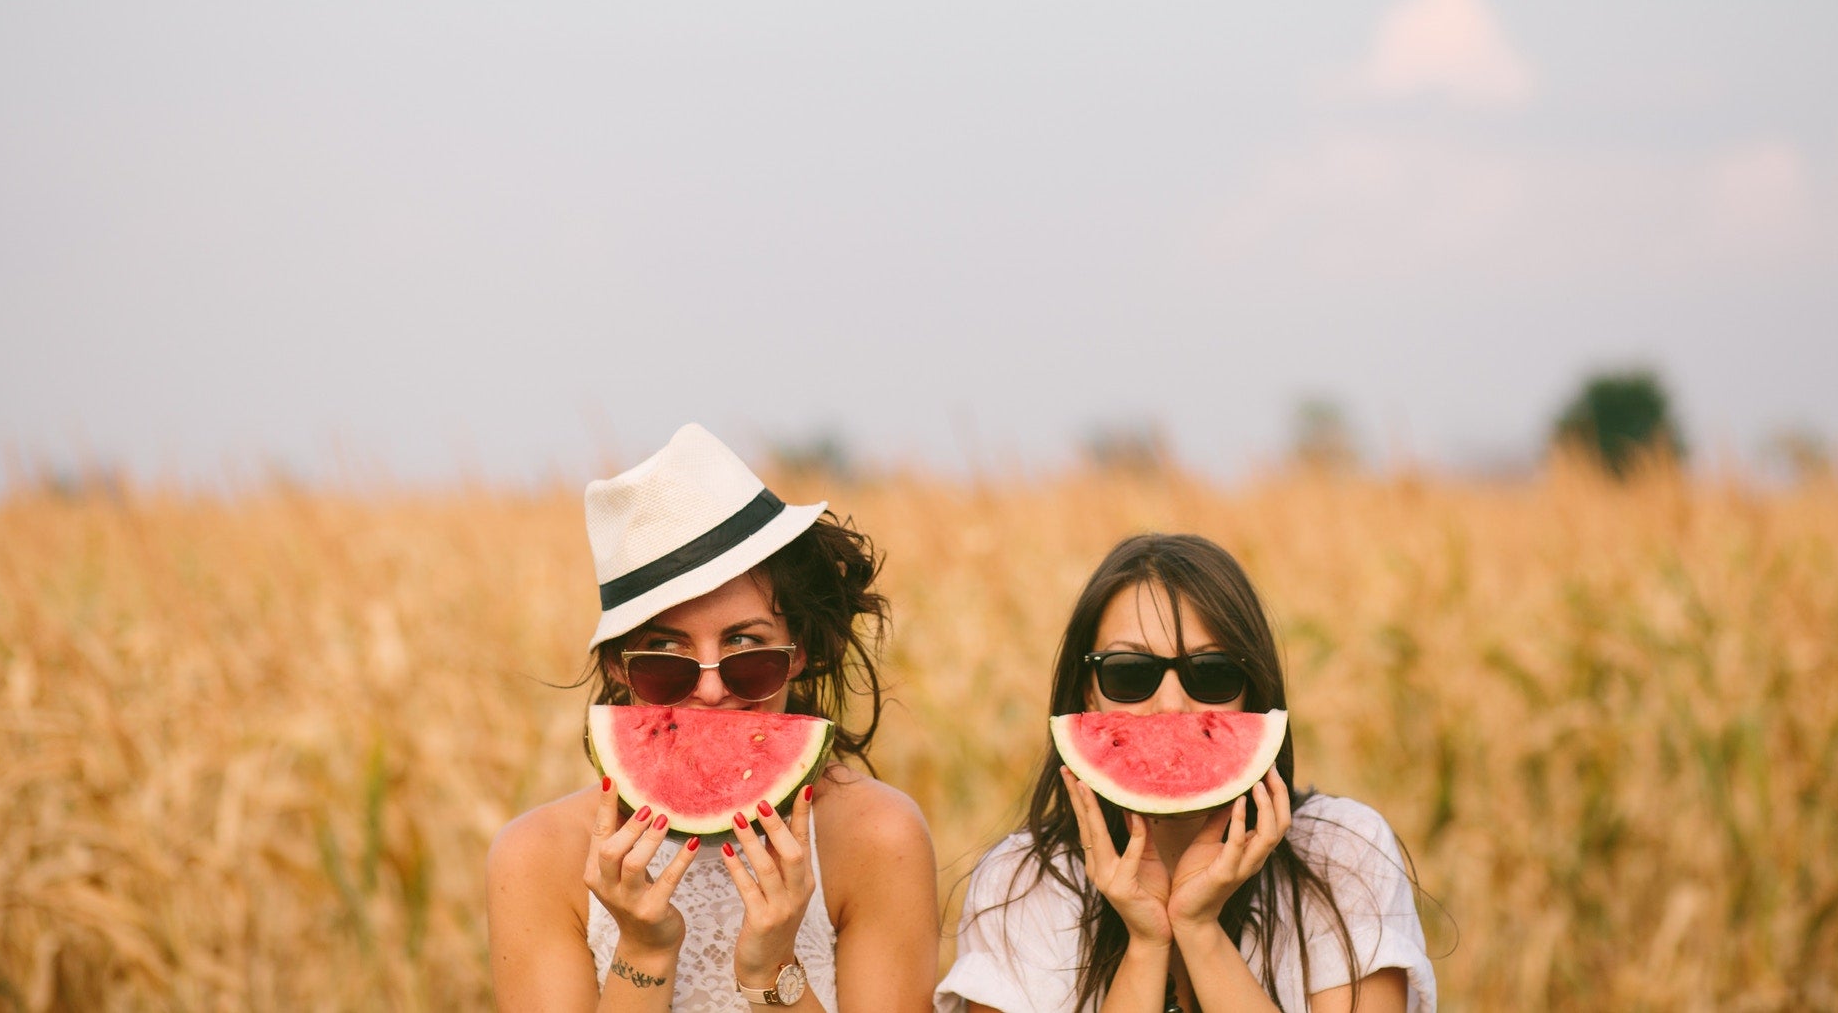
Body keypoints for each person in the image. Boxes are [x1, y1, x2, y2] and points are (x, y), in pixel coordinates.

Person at [488, 424, 938, 1012]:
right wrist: (644, 952)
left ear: (797, 652)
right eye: (665, 659)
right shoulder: (536, 858)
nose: (709, 689)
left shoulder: (877, 838)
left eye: (747, 652)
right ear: (620, 668)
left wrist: (773, 969)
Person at [936, 533, 1436, 1013]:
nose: (1171, 705)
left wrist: (1198, 929)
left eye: (1212, 672)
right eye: (1129, 672)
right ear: (1088, 692)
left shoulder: (1340, 853)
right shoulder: (1021, 885)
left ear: (1253, 693)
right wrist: (1146, 943)